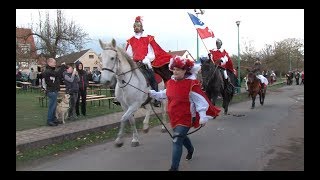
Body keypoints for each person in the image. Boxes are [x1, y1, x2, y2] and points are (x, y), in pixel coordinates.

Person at [149, 56, 221, 171]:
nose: (175, 71)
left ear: (185, 70)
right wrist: (152, 94)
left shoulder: (191, 84)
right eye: (174, 69)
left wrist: (202, 116)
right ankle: (191, 149)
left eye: (179, 69)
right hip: (174, 117)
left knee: (177, 139)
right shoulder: (171, 83)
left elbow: (200, 101)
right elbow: (164, 94)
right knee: (180, 136)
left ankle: (174, 168)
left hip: (186, 118)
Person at [124, 16, 172, 107]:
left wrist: (146, 59)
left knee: (152, 78)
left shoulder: (148, 38)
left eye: (138, 26)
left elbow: (152, 52)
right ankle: (122, 97)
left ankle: (156, 99)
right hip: (135, 63)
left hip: (145, 63)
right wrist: (130, 60)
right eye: (135, 26)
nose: (136, 28)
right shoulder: (131, 40)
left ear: (141, 27)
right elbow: (129, 53)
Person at [43, 58, 62, 126]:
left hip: (54, 90)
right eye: (54, 62)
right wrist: (62, 67)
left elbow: (57, 75)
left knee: (54, 106)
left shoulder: (52, 71)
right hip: (51, 91)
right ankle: (49, 120)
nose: (55, 64)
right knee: (52, 106)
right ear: (49, 63)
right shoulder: (48, 72)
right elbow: (50, 81)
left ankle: (54, 119)